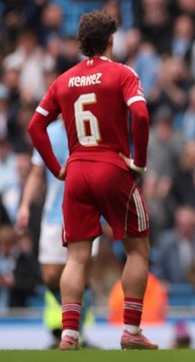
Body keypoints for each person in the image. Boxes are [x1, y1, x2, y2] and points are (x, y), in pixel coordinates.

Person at [27, 10, 157, 350]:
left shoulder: (63, 80)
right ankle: (131, 331)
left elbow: (34, 127)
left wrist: (58, 168)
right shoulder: (123, 74)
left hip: (78, 172)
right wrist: (139, 162)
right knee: (137, 249)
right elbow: (141, 114)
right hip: (112, 167)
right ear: (111, 39)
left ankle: (69, 335)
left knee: (76, 258)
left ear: (81, 43)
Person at [17, 118, 99, 347]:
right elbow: (36, 172)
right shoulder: (50, 133)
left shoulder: (89, 129)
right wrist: (24, 205)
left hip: (87, 213)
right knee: (51, 276)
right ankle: (75, 325)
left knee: (81, 274)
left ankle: (75, 333)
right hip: (55, 214)